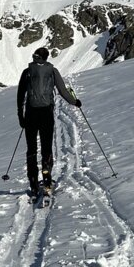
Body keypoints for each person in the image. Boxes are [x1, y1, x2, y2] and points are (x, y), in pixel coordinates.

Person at [17, 47, 81, 193]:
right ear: (46, 58)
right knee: (46, 147)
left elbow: (20, 95)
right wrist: (75, 102)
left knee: (31, 148)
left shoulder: (27, 72)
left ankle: (33, 181)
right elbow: (63, 91)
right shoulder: (52, 71)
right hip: (46, 113)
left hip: (30, 114)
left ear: (35, 57)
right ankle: (46, 176)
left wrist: (21, 115)